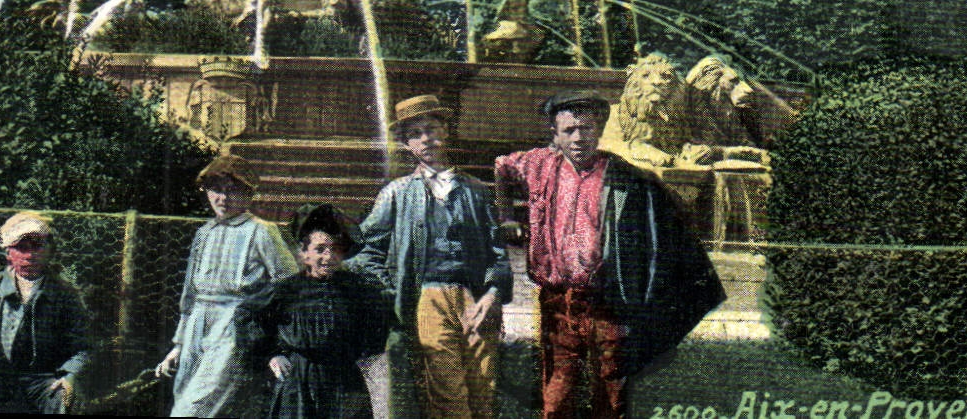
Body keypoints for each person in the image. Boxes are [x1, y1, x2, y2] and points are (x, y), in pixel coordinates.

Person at [494, 89, 725, 419]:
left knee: (612, 385)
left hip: (608, 301)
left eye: (587, 128)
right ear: (554, 135)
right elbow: (500, 167)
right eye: (569, 130)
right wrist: (505, 217)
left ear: (599, 130)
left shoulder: (622, 176)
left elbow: (660, 223)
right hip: (558, 300)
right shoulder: (538, 166)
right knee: (558, 388)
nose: (579, 138)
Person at [348, 95, 512, 419]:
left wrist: (494, 293)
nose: (427, 139)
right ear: (407, 144)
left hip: (475, 298)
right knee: (446, 392)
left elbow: (498, 252)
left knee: (484, 389)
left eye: (433, 129)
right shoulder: (396, 193)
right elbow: (364, 251)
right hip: (428, 297)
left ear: (446, 132)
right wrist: (392, 289)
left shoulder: (476, 191)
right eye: (416, 133)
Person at [155, 154, 297, 417]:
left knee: (194, 408)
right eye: (216, 190)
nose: (222, 199)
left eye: (231, 191)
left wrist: (275, 345)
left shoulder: (262, 231)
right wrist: (179, 343)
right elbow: (190, 294)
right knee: (183, 393)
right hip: (198, 323)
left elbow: (289, 286)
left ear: (248, 194)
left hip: (234, 326)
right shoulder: (204, 232)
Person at [239, 203, 392, 419]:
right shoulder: (288, 289)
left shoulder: (357, 288)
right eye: (320, 249)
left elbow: (377, 322)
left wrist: (364, 353)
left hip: (343, 381)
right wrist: (272, 355)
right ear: (305, 253)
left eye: (335, 249)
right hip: (300, 380)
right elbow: (247, 315)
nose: (328, 257)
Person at [0, 212, 90, 414]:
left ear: (49, 250)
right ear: (8, 252)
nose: (30, 255)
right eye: (21, 247)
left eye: (37, 246)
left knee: (66, 401)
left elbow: (83, 347)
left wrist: (70, 376)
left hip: (44, 380)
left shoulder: (65, 293)